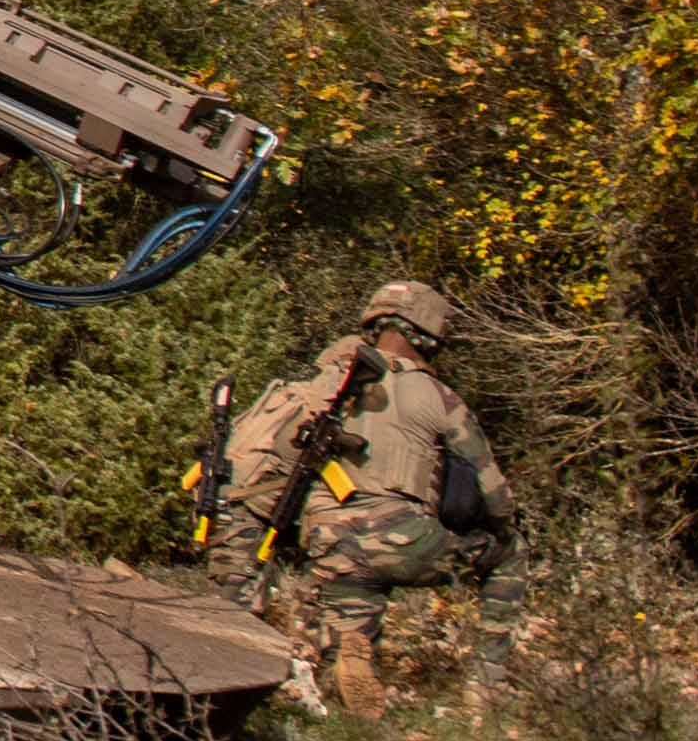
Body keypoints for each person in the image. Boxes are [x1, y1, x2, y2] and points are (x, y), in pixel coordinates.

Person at [213, 277, 513, 718]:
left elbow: (266, 467)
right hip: (401, 540)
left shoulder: (322, 387)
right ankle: (486, 685)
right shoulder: (440, 398)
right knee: (511, 553)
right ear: (428, 338)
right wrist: (487, 523)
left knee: (352, 598)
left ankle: (346, 660)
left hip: (330, 545)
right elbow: (498, 499)